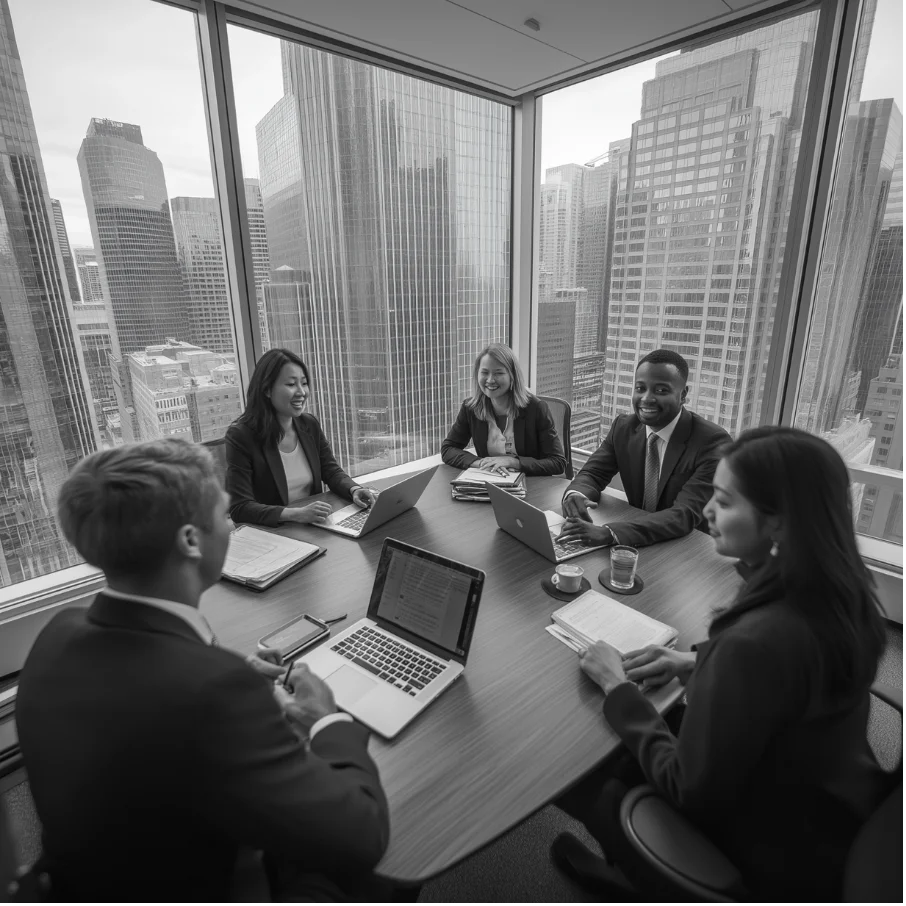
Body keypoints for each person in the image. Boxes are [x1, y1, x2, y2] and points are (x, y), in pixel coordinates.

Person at [15, 439, 390, 903]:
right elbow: (363, 835)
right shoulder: (213, 692)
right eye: (224, 514)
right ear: (191, 540)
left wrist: (231, 679)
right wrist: (329, 721)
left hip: (96, 881)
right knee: (382, 877)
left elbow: (147, 715)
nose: (231, 527)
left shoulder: (56, 636)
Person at [552, 426, 890, 903]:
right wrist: (692, 662)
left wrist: (615, 686)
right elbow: (788, 682)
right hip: (829, 817)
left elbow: (688, 790)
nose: (707, 511)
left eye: (726, 502)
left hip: (769, 852)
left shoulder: (757, 644)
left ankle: (638, 871)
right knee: (658, 716)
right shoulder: (844, 599)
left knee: (572, 763)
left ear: (778, 523)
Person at [558, 348, 730, 548]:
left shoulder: (713, 442)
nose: (646, 398)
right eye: (640, 388)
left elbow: (683, 515)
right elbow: (593, 473)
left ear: (683, 395)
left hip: (688, 549)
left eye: (661, 390)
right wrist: (576, 495)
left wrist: (609, 533)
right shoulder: (623, 427)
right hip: (636, 541)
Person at [226, 348, 376, 527]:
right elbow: (240, 508)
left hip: (313, 525)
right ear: (266, 389)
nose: (302, 392)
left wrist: (354, 489)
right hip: (274, 532)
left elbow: (330, 470)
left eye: (304, 383)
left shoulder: (308, 424)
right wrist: (296, 514)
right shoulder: (241, 436)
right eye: (291, 384)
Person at [441, 343, 566, 476]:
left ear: (512, 376)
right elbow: (448, 449)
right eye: (484, 372)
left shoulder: (535, 408)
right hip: (492, 481)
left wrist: (513, 462)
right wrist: (481, 463)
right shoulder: (471, 408)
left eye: (498, 373)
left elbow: (557, 462)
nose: (490, 380)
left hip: (531, 485)